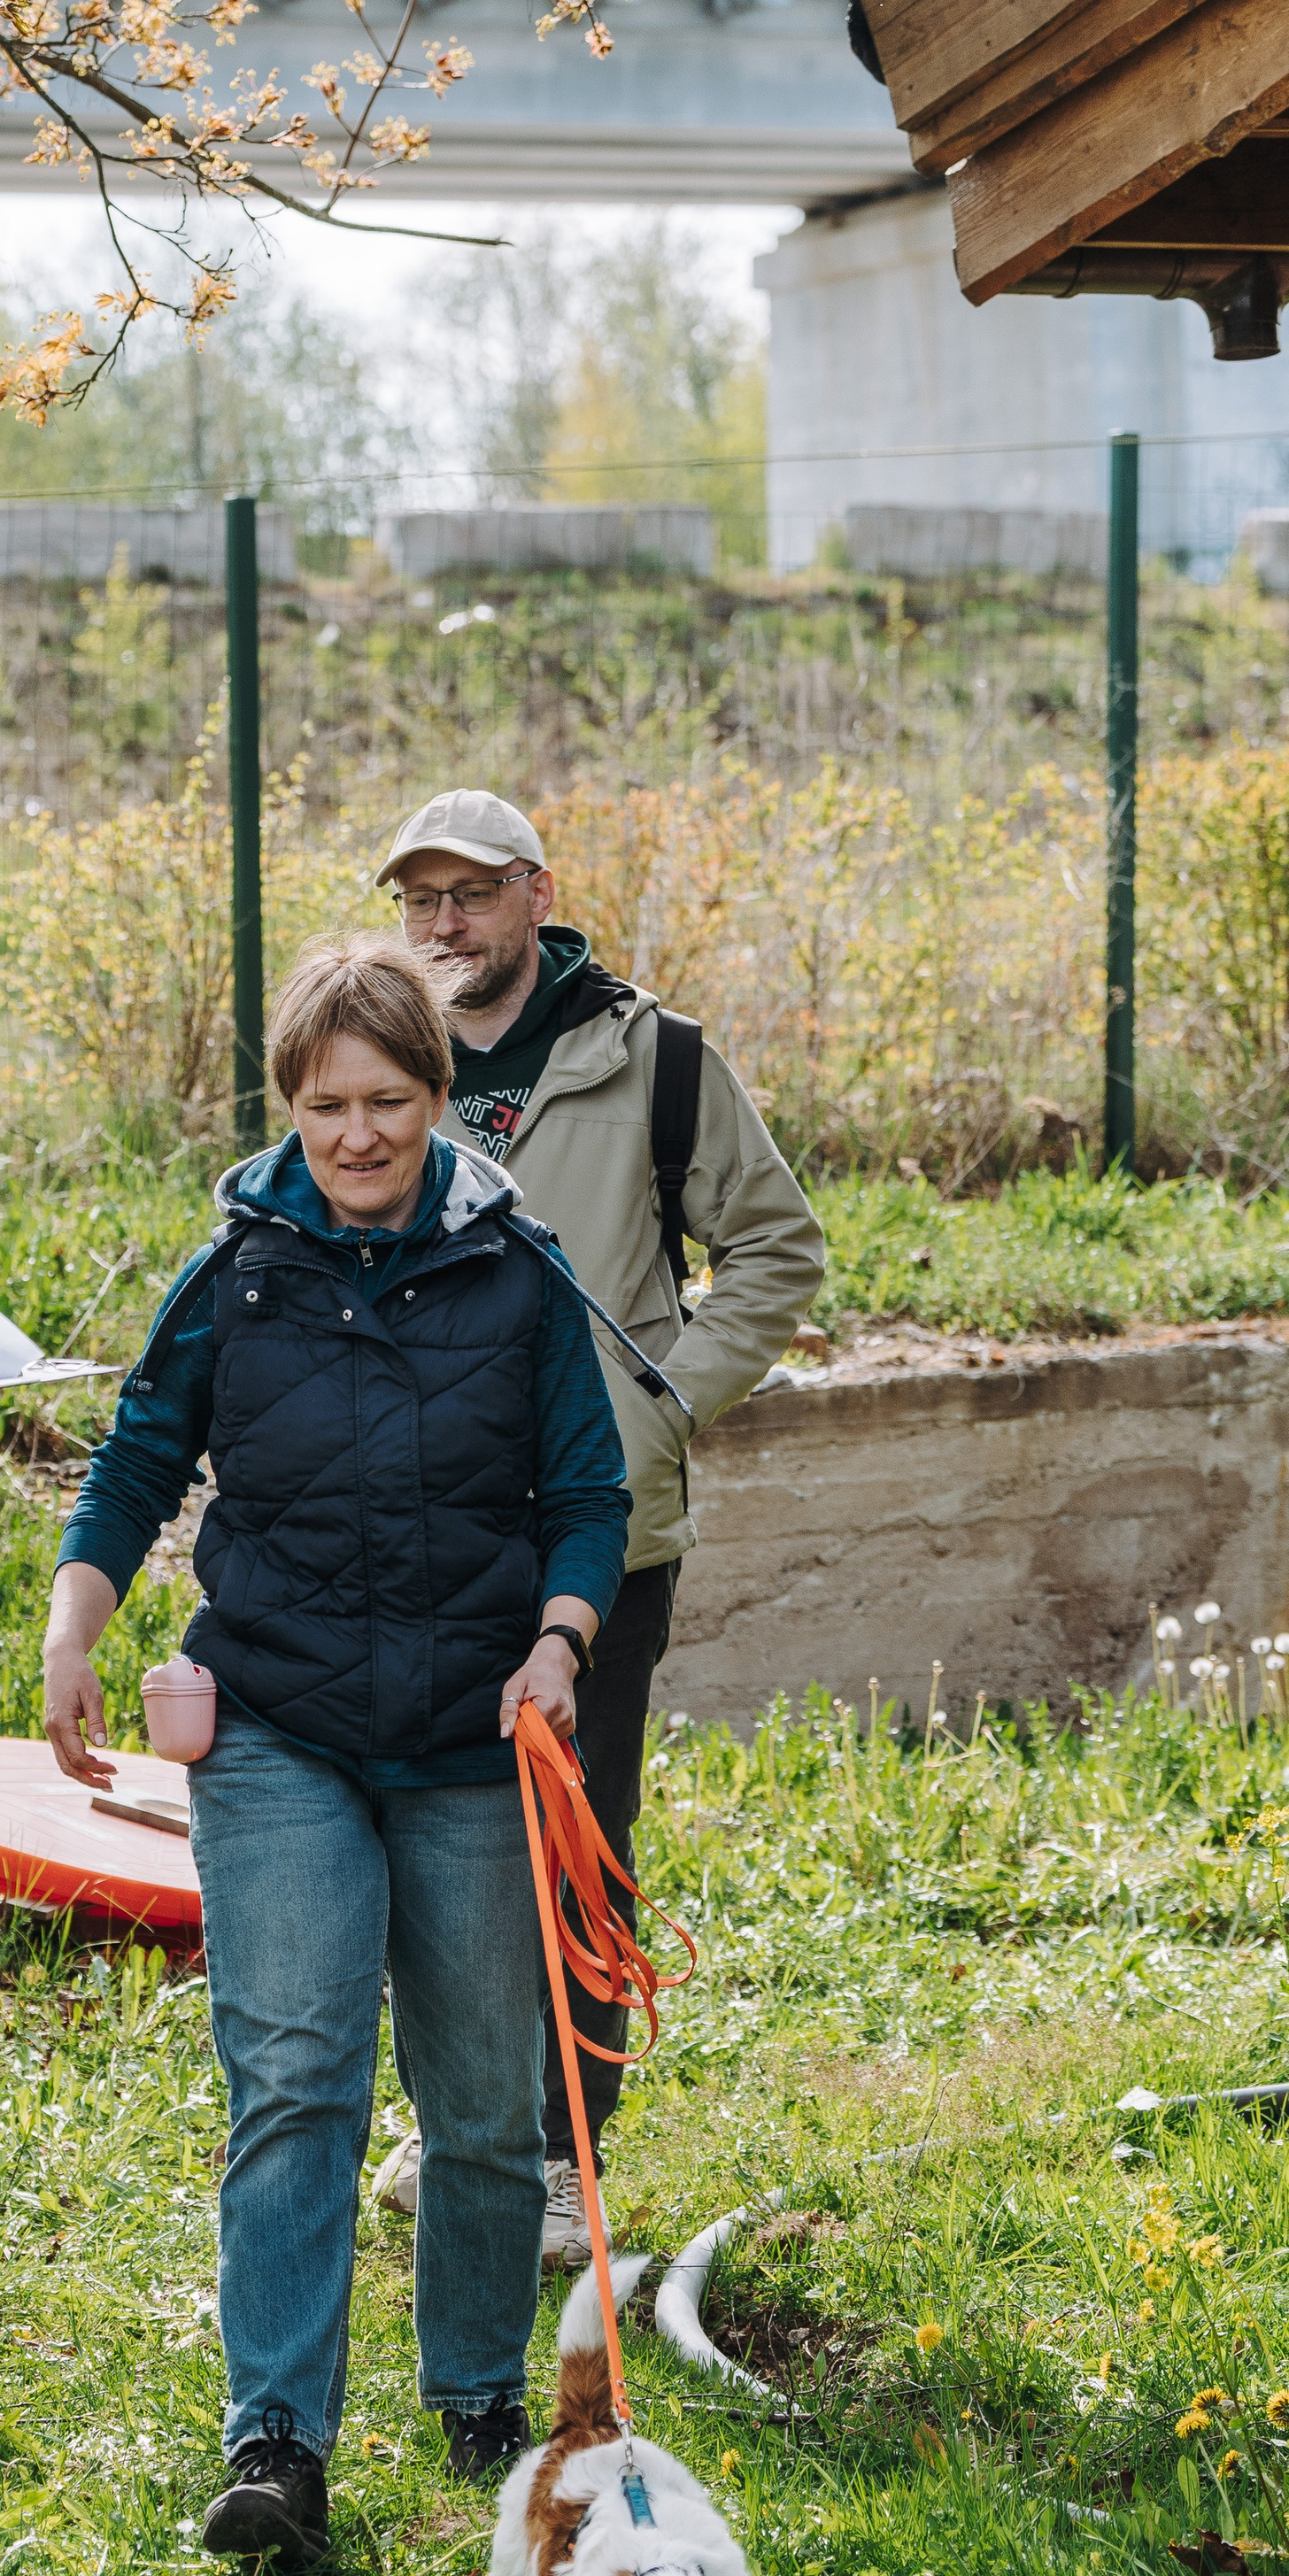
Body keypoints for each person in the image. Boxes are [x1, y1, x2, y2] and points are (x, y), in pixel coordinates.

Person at [42, 936, 630, 2557]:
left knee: (485, 2103)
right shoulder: (236, 1267)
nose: (358, 1135)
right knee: (297, 2079)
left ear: (443, 1103)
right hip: (282, 1728)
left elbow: (590, 1495)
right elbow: (136, 1459)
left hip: (470, 1733)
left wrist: (558, 1643)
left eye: (387, 1101)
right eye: (325, 1105)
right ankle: (277, 2442)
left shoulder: (520, 1272)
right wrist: (74, 1621)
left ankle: (478, 2397)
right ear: (290, 1110)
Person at [370, 790, 825, 2239]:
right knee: (433, 1830)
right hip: (426, 1521)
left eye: (470, 896)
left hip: (600, 1523)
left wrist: (660, 1404)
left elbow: (776, 1246)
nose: (444, 927)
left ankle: (567, 2151)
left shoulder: (653, 1057)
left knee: (576, 1832)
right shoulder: (384, 1054)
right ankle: (461, 2127)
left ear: (534, 892)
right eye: (418, 901)